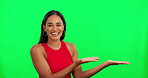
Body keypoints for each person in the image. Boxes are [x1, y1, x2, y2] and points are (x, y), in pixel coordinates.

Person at [30, 10, 130, 78]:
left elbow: (79, 76)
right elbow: (49, 77)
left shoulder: (71, 47)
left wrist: (105, 64)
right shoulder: (37, 49)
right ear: (44, 27)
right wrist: (75, 64)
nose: (55, 29)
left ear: (63, 27)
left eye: (58, 25)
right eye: (50, 25)